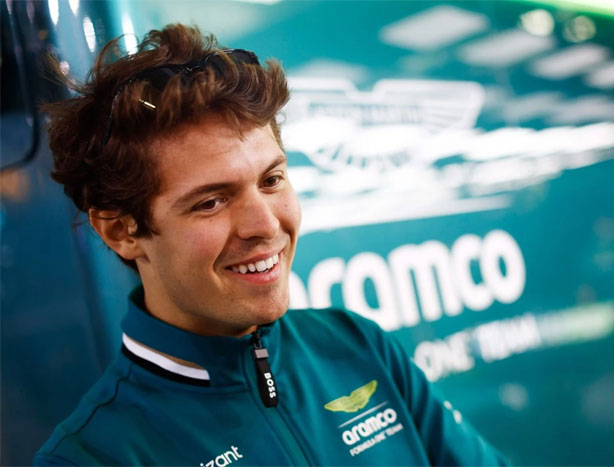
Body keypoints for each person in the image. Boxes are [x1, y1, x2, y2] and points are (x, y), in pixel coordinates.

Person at [35, 24, 506, 466]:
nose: (265, 225)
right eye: (211, 202)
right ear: (121, 231)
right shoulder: (92, 456)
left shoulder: (355, 344)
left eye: (271, 180)